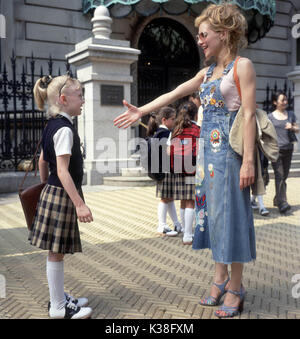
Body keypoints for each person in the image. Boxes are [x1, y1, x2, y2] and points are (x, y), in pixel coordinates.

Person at [114, 3, 257, 318]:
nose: (199, 40)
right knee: (214, 219)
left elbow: (248, 116)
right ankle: (218, 279)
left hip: (231, 159)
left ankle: (236, 286)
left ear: (223, 34)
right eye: (198, 35)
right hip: (208, 160)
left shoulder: (241, 67)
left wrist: (248, 162)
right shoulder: (206, 73)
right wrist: (142, 110)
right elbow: (174, 93)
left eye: (204, 34)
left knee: (231, 219)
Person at [28, 74, 93, 319]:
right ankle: (57, 307)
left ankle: (59, 298)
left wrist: (46, 186)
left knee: (56, 251)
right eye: (80, 96)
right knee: (56, 252)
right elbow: (63, 170)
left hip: (53, 192)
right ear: (64, 99)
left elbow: (43, 161)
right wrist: (80, 204)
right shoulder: (64, 129)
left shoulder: (52, 123)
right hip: (63, 195)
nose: (84, 101)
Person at [167, 101, 200, 245]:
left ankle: (184, 230)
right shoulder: (197, 129)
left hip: (178, 168)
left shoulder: (176, 129)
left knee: (182, 200)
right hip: (192, 169)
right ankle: (188, 234)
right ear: (196, 114)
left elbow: (168, 151)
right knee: (191, 202)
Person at [147, 107, 182, 236]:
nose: (174, 121)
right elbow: (168, 153)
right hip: (165, 170)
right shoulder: (164, 134)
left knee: (169, 198)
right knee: (164, 199)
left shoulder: (159, 133)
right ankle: (161, 226)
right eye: (172, 119)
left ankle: (177, 224)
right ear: (164, 120)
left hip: (165, 170)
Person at [268, 91, 299, 213]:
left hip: (288, 149)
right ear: (275, 102)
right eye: (282, 100)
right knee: (279, 176)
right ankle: (282, 203)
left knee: (284, 176)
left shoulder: (290, 114)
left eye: (286, 100)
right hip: (276, 150)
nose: (285, 102)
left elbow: (297, 129)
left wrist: (292, 127)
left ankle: (277, 198)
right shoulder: (270, 117)